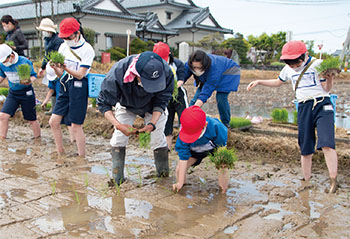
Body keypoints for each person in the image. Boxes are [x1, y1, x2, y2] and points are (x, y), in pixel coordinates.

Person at [247, 40, 338, 193]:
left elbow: (327, 88)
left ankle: (333, 181)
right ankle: (306, 180)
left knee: (327, 142)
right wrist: (259, 81)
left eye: (297, 63)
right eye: (291, 64)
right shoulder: (287, 69)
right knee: (305, 145)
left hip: (323, 104)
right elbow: (278, 82)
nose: (295, 67)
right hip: (303, 106)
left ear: (305, 55)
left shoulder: (318, 64)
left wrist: (330, 78)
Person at [97, 51, 174, 185]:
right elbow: (103, 103)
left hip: (152, 107)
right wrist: (118, 125)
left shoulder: (166, 72)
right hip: (126, 104)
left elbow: (162, 101)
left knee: (157, 138)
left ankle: (163, 177)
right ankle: (117, 179)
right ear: (136, 74)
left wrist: (152, 124)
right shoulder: (118, 72)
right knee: (119, 138)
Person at [49, 18, 95, 157]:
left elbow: (81, 75)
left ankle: (81, 157)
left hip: (79, 87)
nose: (66, 40)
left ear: (77, 33)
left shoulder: (87, 50)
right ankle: (60, 153)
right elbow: (60, 74)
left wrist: (65, 68)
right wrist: (56, 68)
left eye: (68, 37)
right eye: (64, 37)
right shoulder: (63, 46)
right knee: (53, 121)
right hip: (64, 84)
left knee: (76, 125)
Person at [173, 105, 229, 193]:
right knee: (179, 169)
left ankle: (223, 192)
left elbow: (221, 149)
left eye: (195, 134)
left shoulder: (217, 128)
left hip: (214, 149)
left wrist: (221, 160)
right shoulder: (183, 135)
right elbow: (183, 158)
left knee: (223, 167)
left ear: (205, 125)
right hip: (195, 151)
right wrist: (179, 182)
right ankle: (181, 187)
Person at [183, 50, 241, 128]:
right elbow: (182, 76)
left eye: (199, 67)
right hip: (211, 73)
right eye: (194, 67)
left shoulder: (214, 68)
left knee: (221, 98)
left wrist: (196, 107)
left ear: (204, 65)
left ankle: (225, 123)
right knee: (196, 98)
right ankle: (187, 120)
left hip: (229, 72)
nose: (196, 69)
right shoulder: (189, 64)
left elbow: (208, 89)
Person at [153, 42, 188, 151]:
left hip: (178, 94)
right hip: (165, 96)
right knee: (167, 120)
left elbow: (181, 80)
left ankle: (183, 146)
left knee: (184, 119)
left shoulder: (177, 64)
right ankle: (167, 147)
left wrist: (174, 86)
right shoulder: (155, 65)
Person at [0, 44, 40, 139]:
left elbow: (34, 76)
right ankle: (2, 139)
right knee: (3, 116)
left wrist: (29, 80)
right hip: (13, 93)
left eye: (5, 60)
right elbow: (2, 77)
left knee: (31, 119)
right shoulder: (2, 65)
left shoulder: (24, 62)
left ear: (12, 56)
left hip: (26, 93)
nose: (4, 63)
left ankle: (37, 139)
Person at [36, 18, 64, 115]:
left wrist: (57, 67)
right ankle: (53, 109)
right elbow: (47, 55)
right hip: (50, 67)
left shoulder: (58, 40)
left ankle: (59, 110)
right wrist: (42, 67)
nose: (44, 33)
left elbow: (60, 56)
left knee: (59, 90)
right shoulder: (47, 40)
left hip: (57, 67)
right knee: (52, 88)